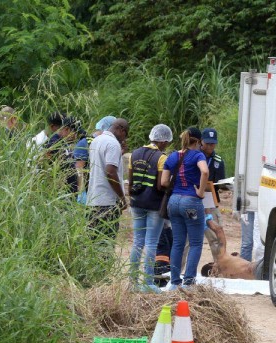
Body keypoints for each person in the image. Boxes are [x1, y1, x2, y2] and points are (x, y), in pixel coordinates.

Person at [128, 124, 173, 293]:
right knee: (151, 243)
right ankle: (148, 282)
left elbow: (131, 181)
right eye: (167, 143)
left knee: (137, 242)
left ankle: (132, 281)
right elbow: (161, 185)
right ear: (162, 141)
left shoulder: (135, 153)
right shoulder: (161, 157)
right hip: (154, 204)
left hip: (137, 203)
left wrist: (131, 197)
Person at [162, 127, 209, 289]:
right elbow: (204, 171)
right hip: (191, 202)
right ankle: (189, 281)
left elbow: (164, 182)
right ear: (198, 141)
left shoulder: (173, 156)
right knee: (195, 243)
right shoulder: (197, 155)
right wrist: (200, 192)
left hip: (174, 202)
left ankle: (174, 281)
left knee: (178, 243)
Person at [86, 118, 130, 240]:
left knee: (93, 244)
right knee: (106, 243)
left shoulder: (96, 141)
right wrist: (122, 198)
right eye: (125, 134)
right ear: (121, 129)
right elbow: (110, 172)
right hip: (107, 203)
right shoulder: (112, 143)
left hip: (93, 201)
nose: (124, 139)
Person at [74, 115, 116, 203]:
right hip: (88, 188)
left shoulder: (109, 144)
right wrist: (81, 192)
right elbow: (79, 169)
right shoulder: (85, 143)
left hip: (104, 190)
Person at [44, 116, 82, 193]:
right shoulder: (53, 143)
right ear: (66, 129)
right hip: (60, 191)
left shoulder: (65, 143)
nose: (76, 137)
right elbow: (47, 166)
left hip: (70, 191)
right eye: (75, 133)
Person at [200, 127, 225, 224]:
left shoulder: (218, 161)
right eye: (207, 143)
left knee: (216, 229)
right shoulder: (194, 156)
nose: (210, 146)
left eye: (213, 143)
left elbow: (220, 181)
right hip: (194, 196)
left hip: (210, 198)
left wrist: (224, 185)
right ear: (201, 141)